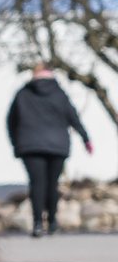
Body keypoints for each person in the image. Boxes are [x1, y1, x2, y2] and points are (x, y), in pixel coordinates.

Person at [7, 63, 94, 237]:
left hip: (30, 146)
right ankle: (53, 222)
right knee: (52, 184)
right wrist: (86, 138)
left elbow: (11, 121)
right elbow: (73, 117)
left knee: (37, 184)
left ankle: (38, 223)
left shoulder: (23, 94)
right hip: (57, 146)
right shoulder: (59, 94)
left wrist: (16, 142)